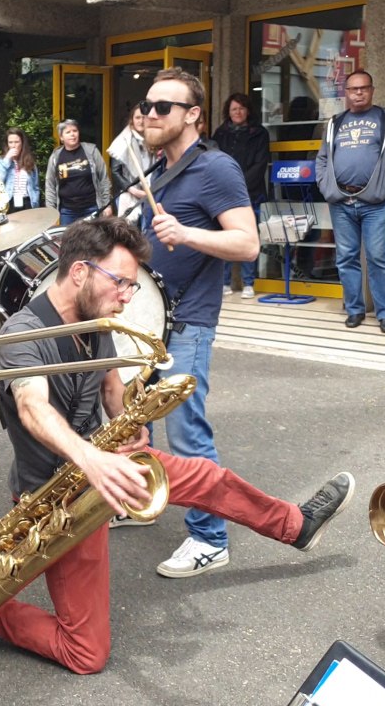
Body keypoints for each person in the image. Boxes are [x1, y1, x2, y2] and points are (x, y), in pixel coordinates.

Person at [0, 217, 354, 674]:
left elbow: (110, 385)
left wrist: (126, 422)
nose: (129, 296)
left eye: (132, 286)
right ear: (79, 272)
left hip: (106, 463)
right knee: (86, 653)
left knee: (207, 476)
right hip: (56, 497)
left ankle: (296, 525)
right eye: (122, 283)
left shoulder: (96, 318)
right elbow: (33, 408)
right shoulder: (22, 335)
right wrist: (93, 460)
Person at [136, 67, 263, 577]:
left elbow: (247, 243)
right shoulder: (160, 169)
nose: (150, 114)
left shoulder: (216, 169)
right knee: (131, 418)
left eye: (163, 107)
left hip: (186, 321)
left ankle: (210, 539)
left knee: (187, 434)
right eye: (146, 106)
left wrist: (186, 234)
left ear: (192, 115)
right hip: (145, 319)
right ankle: (140, 500)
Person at [315, 69, 385, 334]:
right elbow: (322, 158)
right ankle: (354, 310)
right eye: (352, 89)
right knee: (346, 258)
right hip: (341, 201)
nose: (358, 93)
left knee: (379, 258)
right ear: (345, 93)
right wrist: (326, 187)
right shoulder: (335, 122)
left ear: (371, 90)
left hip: (375, 203)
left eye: (363, 88)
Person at [211, 93, 270, 300]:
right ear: (228, 111)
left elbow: (260, 164)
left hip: (250, 194)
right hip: (223, 195)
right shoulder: (220, 133)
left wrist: (238, 185)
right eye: (234, 109)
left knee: (248, 237)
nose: (238, 112)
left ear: (248, 111)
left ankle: (249, 283)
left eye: (241, 108)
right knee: (224, 238)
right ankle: (225, 282)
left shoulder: (259, 133)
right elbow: (214, 162)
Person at [45, 119, 111, 226]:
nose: (72, 134)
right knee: (69, 241)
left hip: (91, 208)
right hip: (67, 211)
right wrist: (50, 213)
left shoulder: (91, 151)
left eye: (74, 131)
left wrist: (106, 204)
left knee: (92, 241)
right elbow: (50, 186)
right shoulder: (55, 157)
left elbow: (103, 179)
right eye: (68, 132)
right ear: (61, 137)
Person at [106, 105, 152, 226]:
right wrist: (133, 190)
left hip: (152, 193)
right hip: (129, 194)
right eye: (137, 117)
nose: (141, 121)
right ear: (132, 119)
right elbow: (115, 171)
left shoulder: (154, 139)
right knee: (131, 234)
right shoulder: (122, 141)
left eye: (144, 117)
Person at [0, 127, 40, 212]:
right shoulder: (0, 161)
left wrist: (35, 202)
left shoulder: (29, 161)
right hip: (9, 202)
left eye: (16, 142)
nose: (13, 145)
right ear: (7, 144)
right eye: (10, 142)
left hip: (27, 202)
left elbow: (35, 186)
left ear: (22, 143)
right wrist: (7, 159)